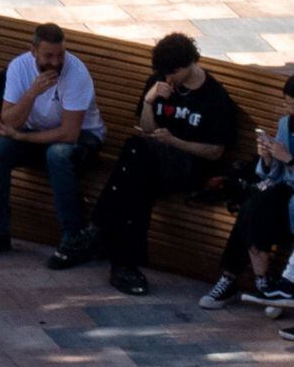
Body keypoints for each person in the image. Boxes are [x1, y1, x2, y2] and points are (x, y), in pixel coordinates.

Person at [68, 32, 242, 296]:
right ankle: (124, 265)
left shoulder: (214, 98)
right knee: (138, 178)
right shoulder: (159, 82)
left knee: (135, 156)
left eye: (173, 73)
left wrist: (175, 142)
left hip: (190, 169)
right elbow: (146, 129)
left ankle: (97, 229)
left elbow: (215, 152)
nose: (168, 79)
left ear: (189, 64)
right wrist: (150, 101)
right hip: (152, 164)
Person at [0, 21, 107, 259]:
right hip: (37, 133)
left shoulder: (76, 73)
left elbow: (69, 134)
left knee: (57, 154)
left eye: (60, 55)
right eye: (49, 56)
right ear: (33, 50)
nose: (55, 63)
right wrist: (31, 94)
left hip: (83, 138)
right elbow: (9, 121)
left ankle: (72, 236)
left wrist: (22, 136)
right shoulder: (19, 67)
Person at [205, 75, 294, 310]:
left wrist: (289, 159)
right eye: (288, 103)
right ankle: (261, 282)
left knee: (255, 210)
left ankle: (238, 279)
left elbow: (287, 162)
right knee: (251, 207)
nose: (291, 110)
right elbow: (272, 175)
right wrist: (267, 156)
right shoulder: (286, 123)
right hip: (285, 190)